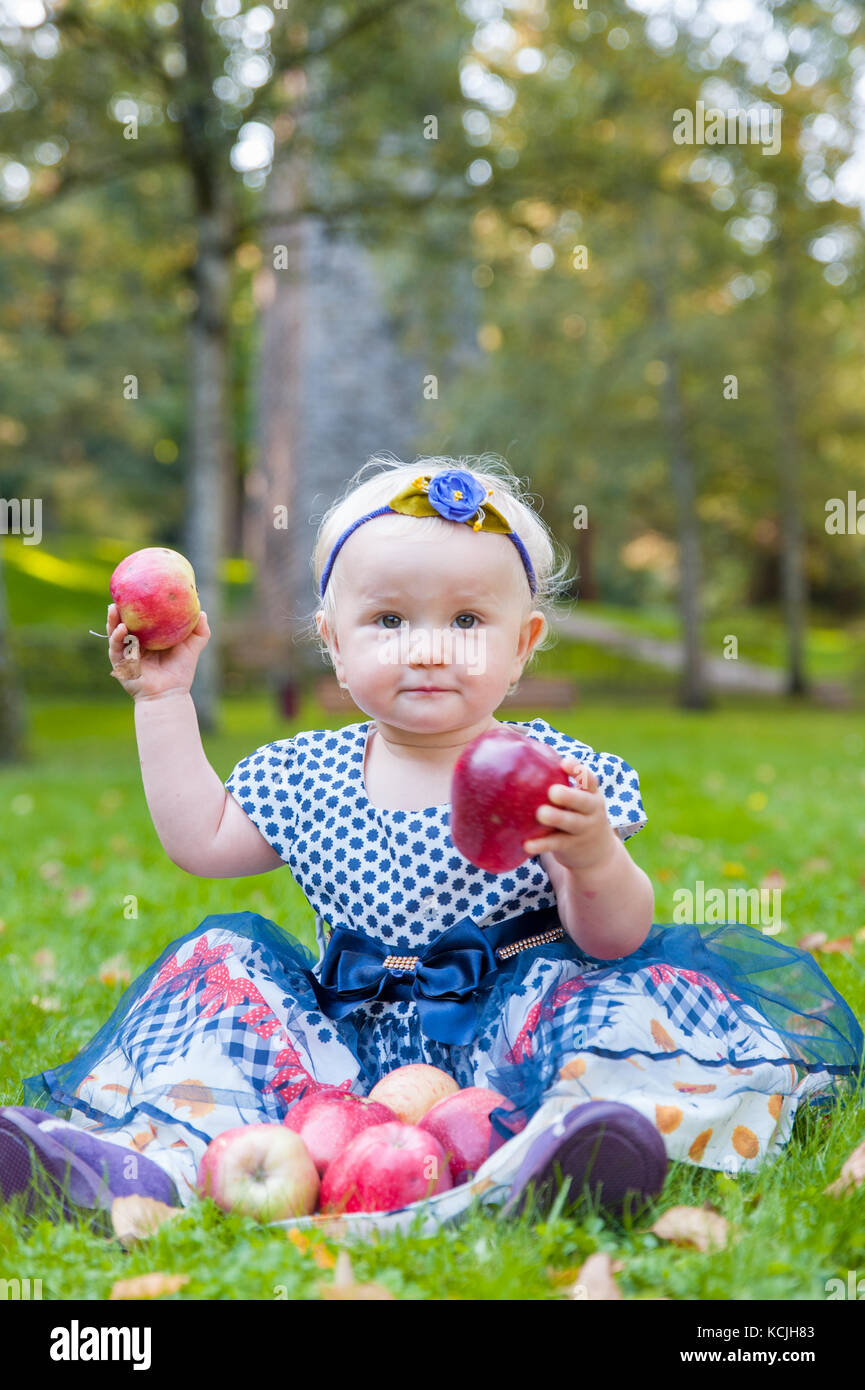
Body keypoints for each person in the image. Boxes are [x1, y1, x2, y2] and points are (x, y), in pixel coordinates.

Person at [5, 456, 863, 1224]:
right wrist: (161, 701)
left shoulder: (550, 768)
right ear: (334, 646)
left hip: (517, 1031)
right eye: (386, 620)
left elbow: (615, 937)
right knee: (219, 972)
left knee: (625, 1012)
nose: (426, 649)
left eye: (465, 621)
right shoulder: (303, 771)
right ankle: (144, 1162)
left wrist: (591, 852)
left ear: (521, 645)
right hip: (338, 1050)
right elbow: (200, 841)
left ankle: (560, 1150)